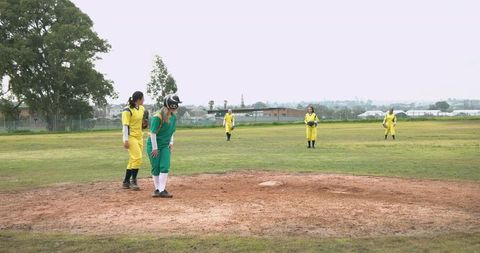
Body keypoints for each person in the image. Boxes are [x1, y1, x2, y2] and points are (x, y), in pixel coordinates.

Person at [147, 94, 182, 198]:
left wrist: (171, 143)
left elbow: (172, 131)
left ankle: (162, 190)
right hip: (154, 145)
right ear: (172, 105)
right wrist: (154, 148)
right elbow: (153, 133)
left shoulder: (173, 117)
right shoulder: (158, 117)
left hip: (165, 146)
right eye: (176, 104)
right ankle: (157, 189)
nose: (177, 106)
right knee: (156, 168)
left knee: (165, 166)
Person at [121, 91, 147, 190]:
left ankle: (126, 181)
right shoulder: (127, 110)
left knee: (133, 159)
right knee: (137, 158)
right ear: (139, 99)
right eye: (143, 98)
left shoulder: (142, 108)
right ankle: (133, 181)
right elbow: (125, 126)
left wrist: (144, 124)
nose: (144, 100)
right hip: (131, 137)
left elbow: (141, 123)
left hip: (139, 136)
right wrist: (125, 140)